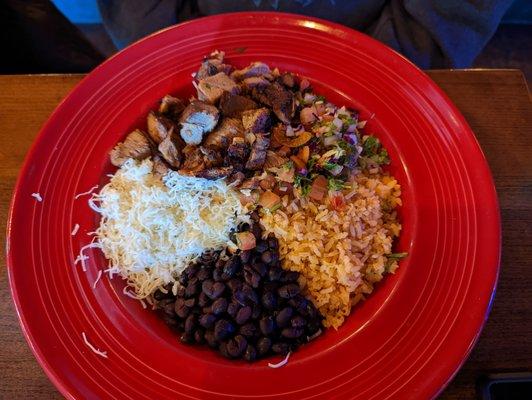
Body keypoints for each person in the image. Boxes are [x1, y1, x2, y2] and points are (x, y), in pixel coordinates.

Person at [97, 0, 514, 69]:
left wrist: (367, 73)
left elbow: (450, 16)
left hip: (377, 48)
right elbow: (141, 17)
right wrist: (177, 53)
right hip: (200, 48)